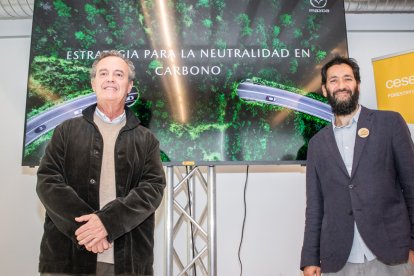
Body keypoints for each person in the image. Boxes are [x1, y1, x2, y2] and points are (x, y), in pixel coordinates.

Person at [36, 50, 166, 276]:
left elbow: (152, 190)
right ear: (94, 83)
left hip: (127, 263)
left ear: (129, 86)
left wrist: (107, 223)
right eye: (103, 73)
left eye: (119, 74)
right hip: (68, 259)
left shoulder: (147, 140)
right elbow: (48, 182)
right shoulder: (66, 131)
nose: (110, 79)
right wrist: (88, 230)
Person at [300, 56, 414, 275]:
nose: (341, 85)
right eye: (333, 80)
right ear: (324, 89)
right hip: (339, 260)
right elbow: (315, 206)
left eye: (347, 79)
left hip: (393, 256)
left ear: (357, 85)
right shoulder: (316, 144)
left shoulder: (389, 123)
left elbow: (412, 187)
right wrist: (310, 258)